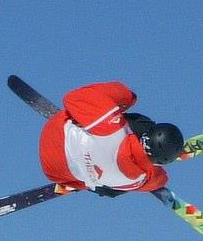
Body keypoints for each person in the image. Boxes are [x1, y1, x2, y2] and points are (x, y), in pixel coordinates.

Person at [38, 82, 185, 197]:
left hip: (55, 133)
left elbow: (72, 98)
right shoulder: (137, 180)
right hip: (55, 172)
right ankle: (103, 188)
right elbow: (158, 181)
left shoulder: (111, 127)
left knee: (134, 119)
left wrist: (127, 96)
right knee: (114, 190)